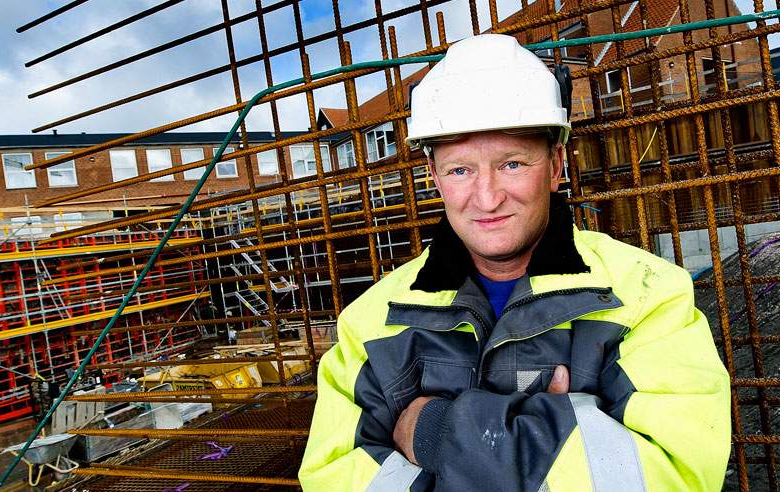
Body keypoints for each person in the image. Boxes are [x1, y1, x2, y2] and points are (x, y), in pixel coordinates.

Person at [299, 34, 730, 491]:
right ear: (435, 178)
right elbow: (333, 479)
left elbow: (676, 473)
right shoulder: (369, 323)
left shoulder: (649, 297)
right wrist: (558, 429)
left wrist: (437, 433)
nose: (487, 198)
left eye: (512, 164)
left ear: (556, 164)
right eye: (460, 170)